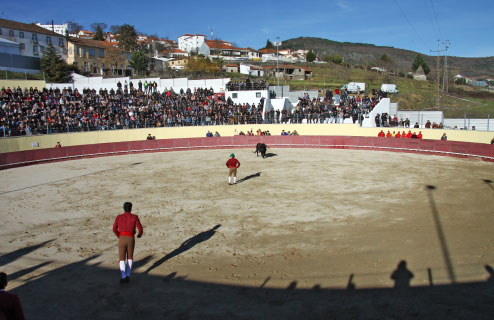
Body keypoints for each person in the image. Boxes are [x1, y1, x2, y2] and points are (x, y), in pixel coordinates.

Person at [113, 202, 143, 284]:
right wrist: (139, 235)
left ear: (124, 208)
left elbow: (114, 229)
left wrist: (120, 236)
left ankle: (123, 276)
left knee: (121, 258)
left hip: (122, 238)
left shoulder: (119, 217)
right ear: (131, 208)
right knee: (130, 257)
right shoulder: (134, 217)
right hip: (130, 238)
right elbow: (140, 229)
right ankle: (128, 275)